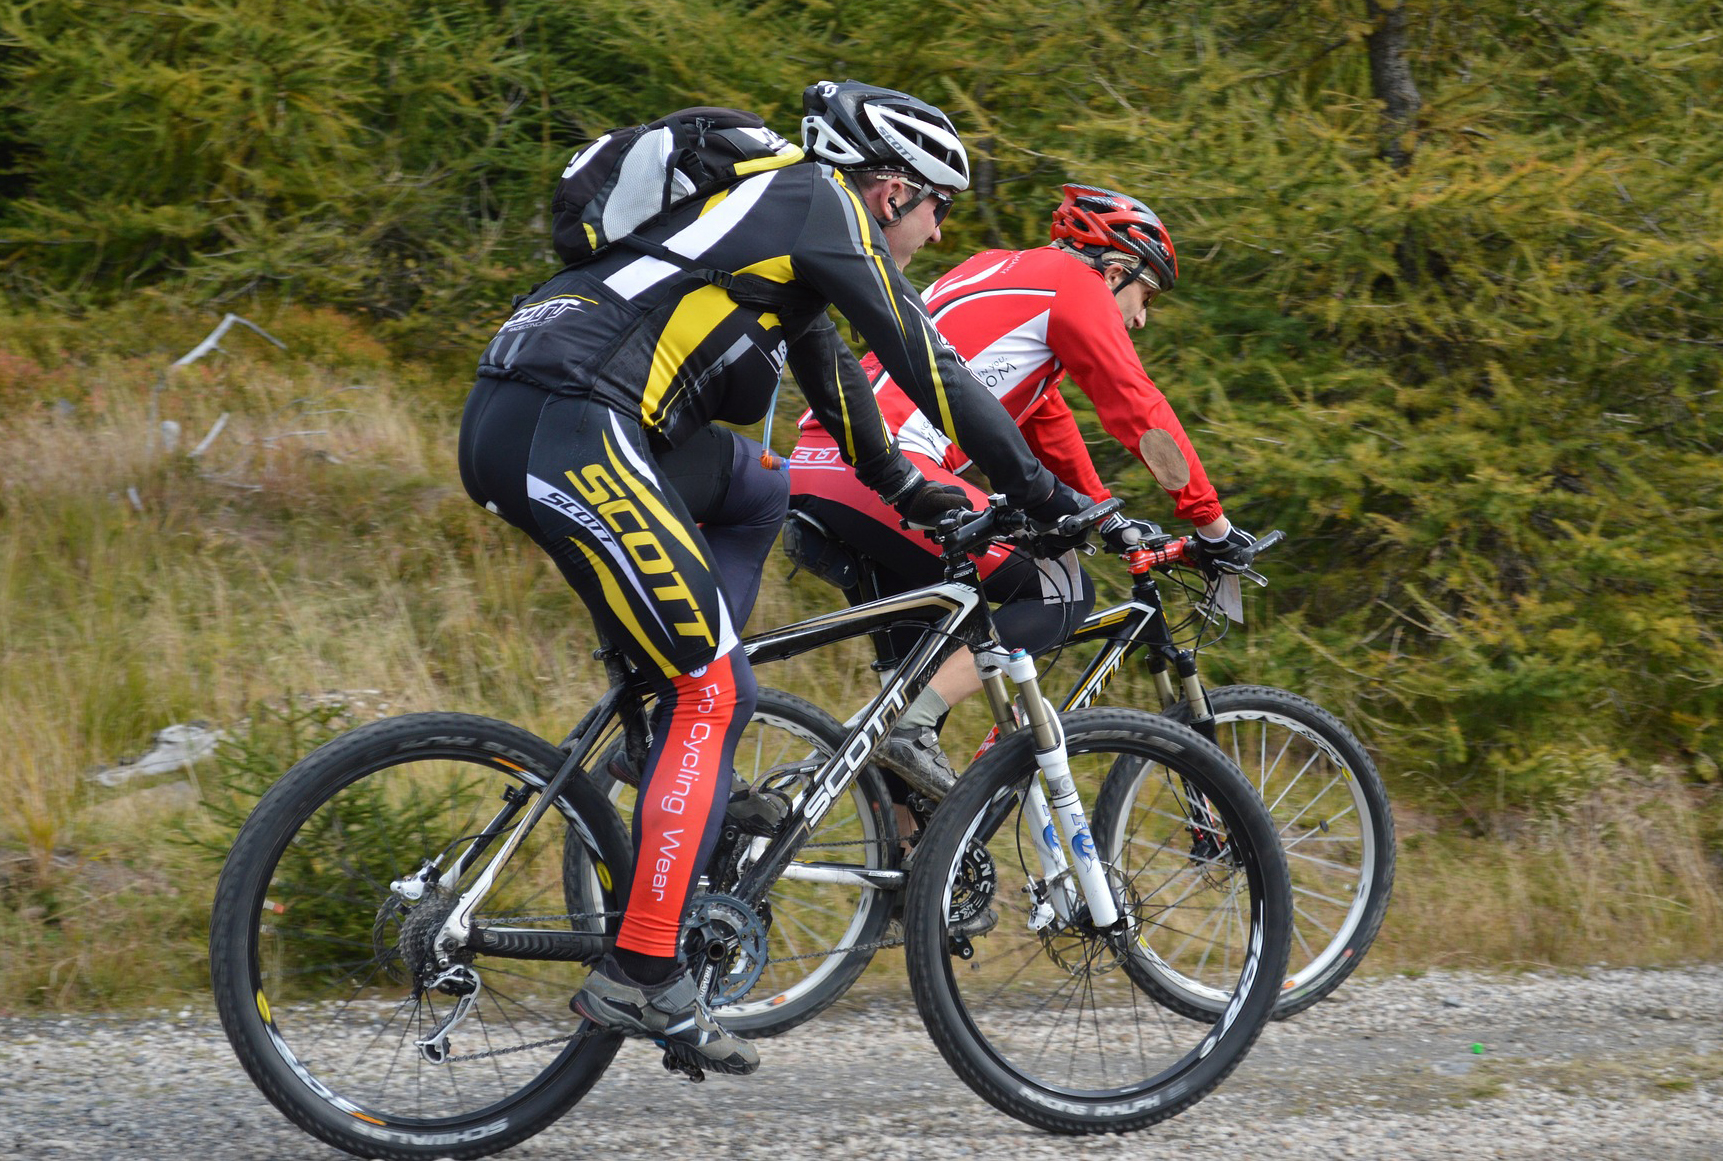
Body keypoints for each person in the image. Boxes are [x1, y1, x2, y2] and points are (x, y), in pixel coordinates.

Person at [457, 81, 1088, 1076]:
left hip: (537, 409)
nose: (935, 231)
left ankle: (665, 742)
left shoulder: (774, 226)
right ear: (890, 193)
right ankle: (642, 968)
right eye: (938, 209)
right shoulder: (814, 200)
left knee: (756, 486)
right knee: (709, 688)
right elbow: (921, 357)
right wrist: (1040, 491)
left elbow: (830, 370)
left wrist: (903, 488)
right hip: (572, 422)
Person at [787, 183, 1258, 801]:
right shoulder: (1075, 284)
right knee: (1060, 588)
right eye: (1144, 297)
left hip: (818, 462)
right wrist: (1211, 525)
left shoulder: (994, 269)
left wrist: (1102, 515)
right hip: (887, 470)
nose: (1140, 319)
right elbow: (1138, 409)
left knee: (911, 685)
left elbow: (1044, 424)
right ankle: (910, 730)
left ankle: (902, 876)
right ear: (1117, 270)